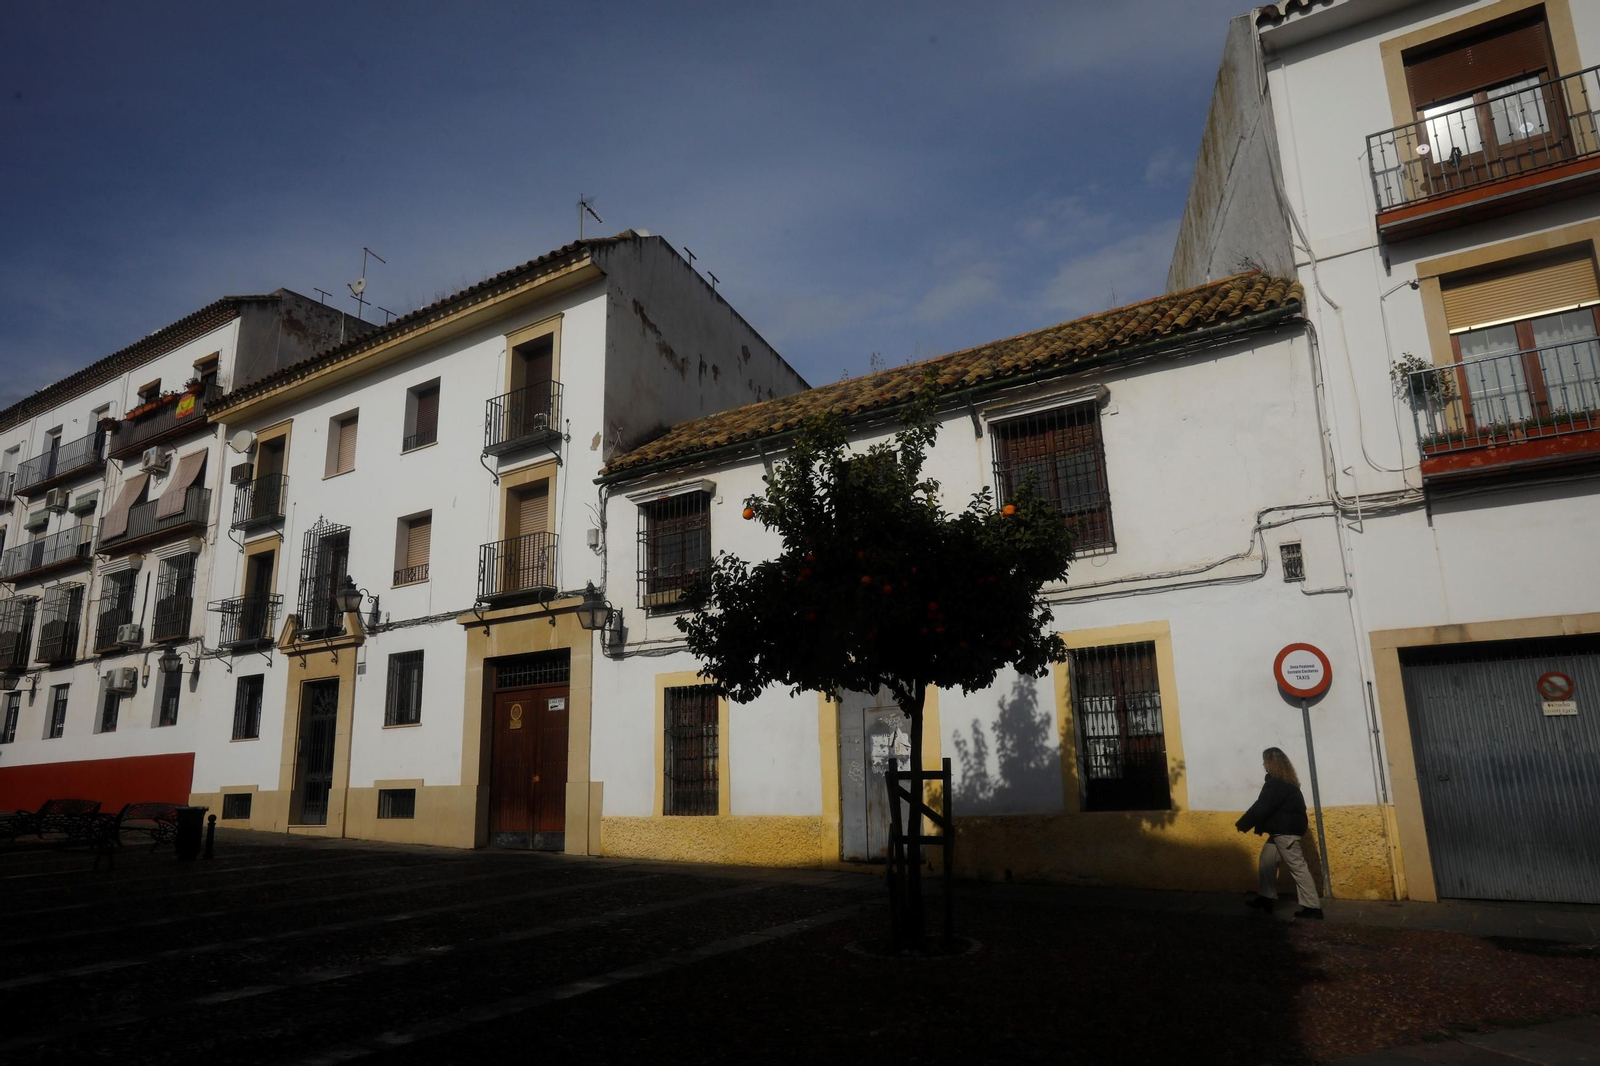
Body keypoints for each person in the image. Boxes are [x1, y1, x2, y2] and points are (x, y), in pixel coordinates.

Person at [1236, 747, 1323, 919]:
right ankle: (1266, 897)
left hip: (1285, 833)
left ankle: (1313, 907)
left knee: (1298, 868)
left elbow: (1263, 806)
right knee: (1266, 861)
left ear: (1271, 763)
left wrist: (1243, 823)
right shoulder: (1287, 782)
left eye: (1265, 761)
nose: (1263, 764)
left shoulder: (1277, 784)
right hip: (1281, 832)